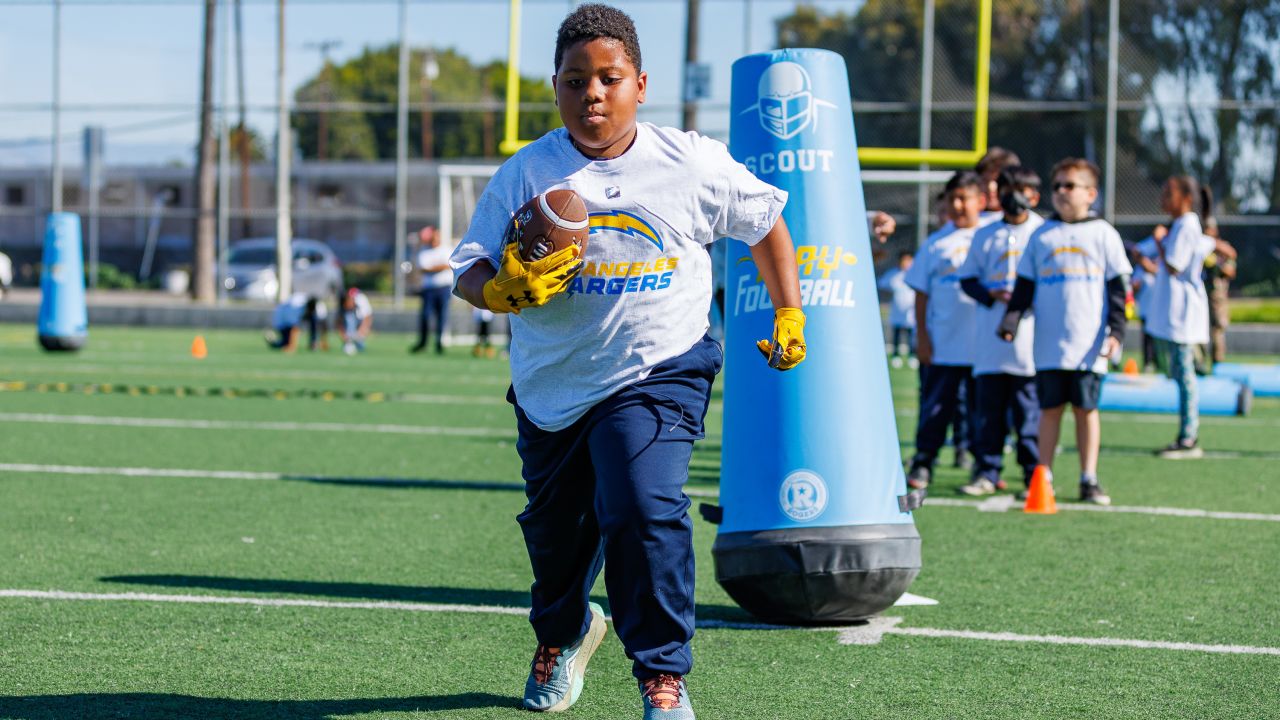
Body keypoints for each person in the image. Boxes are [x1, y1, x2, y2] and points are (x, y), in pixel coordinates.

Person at [448, 5, 805, 719]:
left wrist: (789, 309)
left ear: (640, 84)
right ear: (556, 86)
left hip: (660, 366)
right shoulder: (529, 171)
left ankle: (662, 677)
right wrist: (498, 289)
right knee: (557, 543)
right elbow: (467, 266)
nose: (593, 94)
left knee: (643, 507)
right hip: (553, 385)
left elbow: (764, 221)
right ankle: (567, 630)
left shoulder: (690, 162)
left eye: (609, 78)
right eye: (576, 80)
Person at [999, 158, 1132, 505]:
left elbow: (1119, 290)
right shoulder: (1041, 235)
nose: (1060, 192)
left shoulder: (1103, 234)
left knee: (1086, 410)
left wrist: (1116, 330)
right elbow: (1024, 287)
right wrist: (1010, 321)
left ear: (1091, 193)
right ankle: (1042, 476)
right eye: (1056, 186)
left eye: (1069, 186)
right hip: (1049, 344)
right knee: (1050, 410)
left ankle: (1089, 478)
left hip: (1088, 344)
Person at [957, 166, 1044, 497]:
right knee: (988, 410)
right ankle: (987, 470)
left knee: (1027, 410)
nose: (1012, 195)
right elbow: (967, 279)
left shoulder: (1042, 232)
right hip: (990, 338)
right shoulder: (985, 232)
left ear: (1034, 196)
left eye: (1020, 189)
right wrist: (990, 295)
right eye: (1006, 188)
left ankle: (1033, 474)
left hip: (1031, 337)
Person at [903, 171, 984, 489]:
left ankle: (983, 465)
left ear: (982, 201)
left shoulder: (991, 237)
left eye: (965, 198)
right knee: (936, 407)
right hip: (944, 345)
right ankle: (924, 462)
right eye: (953, 199)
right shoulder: (936, 243)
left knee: (982, 412)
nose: (959, 205)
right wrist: (922, 336)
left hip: (984, 350)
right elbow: (921, 295)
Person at [1145, 176, 1217, 459]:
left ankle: (1189, 437)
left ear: (1186, 198)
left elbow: (1175, 266)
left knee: (1185, 375)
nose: (1163, 200)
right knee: (1176, 372)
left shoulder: (1187, 225)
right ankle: (1186, 433)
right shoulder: (1180, 225)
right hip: (1173, 313)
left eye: (1168, 194)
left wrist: (1160, 242)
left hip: (1184, 314)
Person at [410, 225, 453, 354]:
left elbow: (448, 265)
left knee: (442, 316)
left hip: (443, 288)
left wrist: (435, 268)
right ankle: (423, 342)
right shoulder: (424, 251)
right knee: (425, 316)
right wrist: (440, 266)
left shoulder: (446, 250)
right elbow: (423, 268)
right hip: (428, 289)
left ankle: (439, 343)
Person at [1202, 222, 1237, 365]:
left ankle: (1218, 362)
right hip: (1200, 293)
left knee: (1218, 328)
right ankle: (1200, 363)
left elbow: (1231, 270)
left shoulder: (1222, 247)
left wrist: (1217, 264)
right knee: (1200, 328)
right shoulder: (1199, 244)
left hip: (1217, 295)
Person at [877, 250, 916, 367]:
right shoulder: (893, 274)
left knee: (911, 336)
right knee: (897, 334)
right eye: (904, 260)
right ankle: (895, 356)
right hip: (897, 311)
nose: (907, 263)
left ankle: (912, 356)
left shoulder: (916, 274)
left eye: (909, 260)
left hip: (911, 313)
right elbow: (881, 283)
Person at [1129, 236, 1160, 372]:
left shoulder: (1162, 270)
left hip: (1159, 310)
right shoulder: (1140, 271)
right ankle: (1148, 363)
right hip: (1146, 310)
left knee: (1159, 338)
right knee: (1147, 338)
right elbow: (1134, 286)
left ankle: (1159, 362)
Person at [974, 146, 1022, 225]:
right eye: (985, 181)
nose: (991, 187)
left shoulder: (1030, 225)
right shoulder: (965, 223)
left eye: (998, 181)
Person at [339, 287, 373, 354]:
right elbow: (338, 322)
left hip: (360, 321)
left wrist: (361, 332)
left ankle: (357, 344)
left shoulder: (362, 301)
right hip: (354, 319)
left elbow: (367, 318)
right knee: (349, 319)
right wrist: (344, 336)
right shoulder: (344, 307)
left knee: (360, 344)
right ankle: (349, 343)